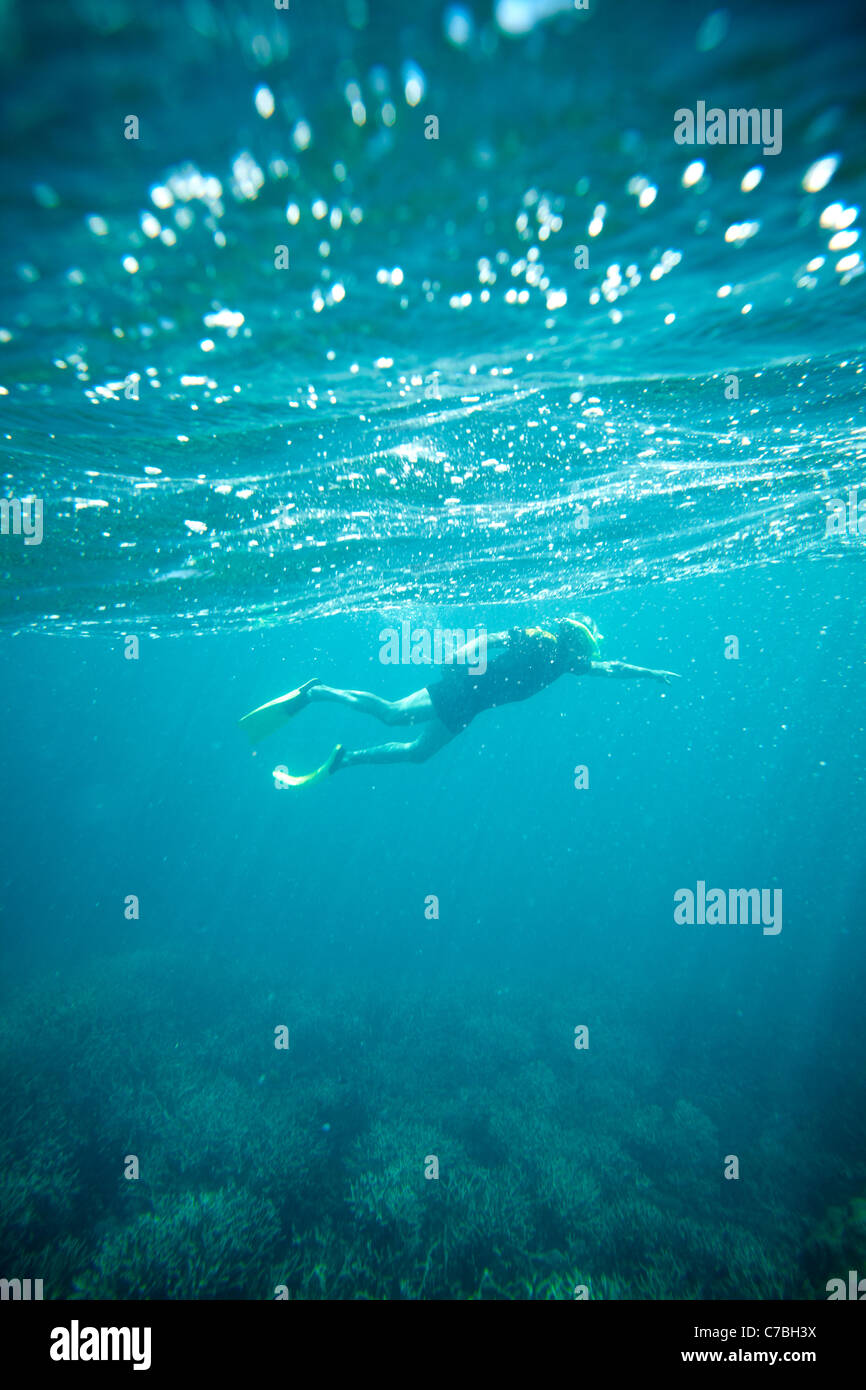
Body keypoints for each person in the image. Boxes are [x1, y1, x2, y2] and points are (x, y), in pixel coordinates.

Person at [239, 616, 681, 787]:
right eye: (584, 650)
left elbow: (611, 668)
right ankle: (317, 692)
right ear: (572, 640)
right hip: (463, 688)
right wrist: (459, 656)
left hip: (473, 708)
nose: (586, 659)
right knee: (394, 715)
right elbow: (492, 638)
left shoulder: (568, 663)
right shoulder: (542, 640)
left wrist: (649, 673)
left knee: (417, 755)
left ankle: (345, 760)